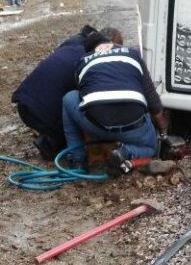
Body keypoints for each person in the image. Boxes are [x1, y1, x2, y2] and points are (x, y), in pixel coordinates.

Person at [62, 35, 168, 174]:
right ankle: (124, 152)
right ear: (111, 44)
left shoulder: (82, 62)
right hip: (133, 127)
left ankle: (77, 161)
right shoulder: (133, 55)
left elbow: (83, 97)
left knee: (69, 97)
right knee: (150, 148)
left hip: (98, 125)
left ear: (89, 52)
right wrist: (162, 129)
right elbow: (151, 98)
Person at [11, 25, 120, 160]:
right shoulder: (89, 61)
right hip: (39, 113)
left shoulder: (73, 43)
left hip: (23, 104)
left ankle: (49, 132)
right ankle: (49, 143)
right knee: (78, 120)